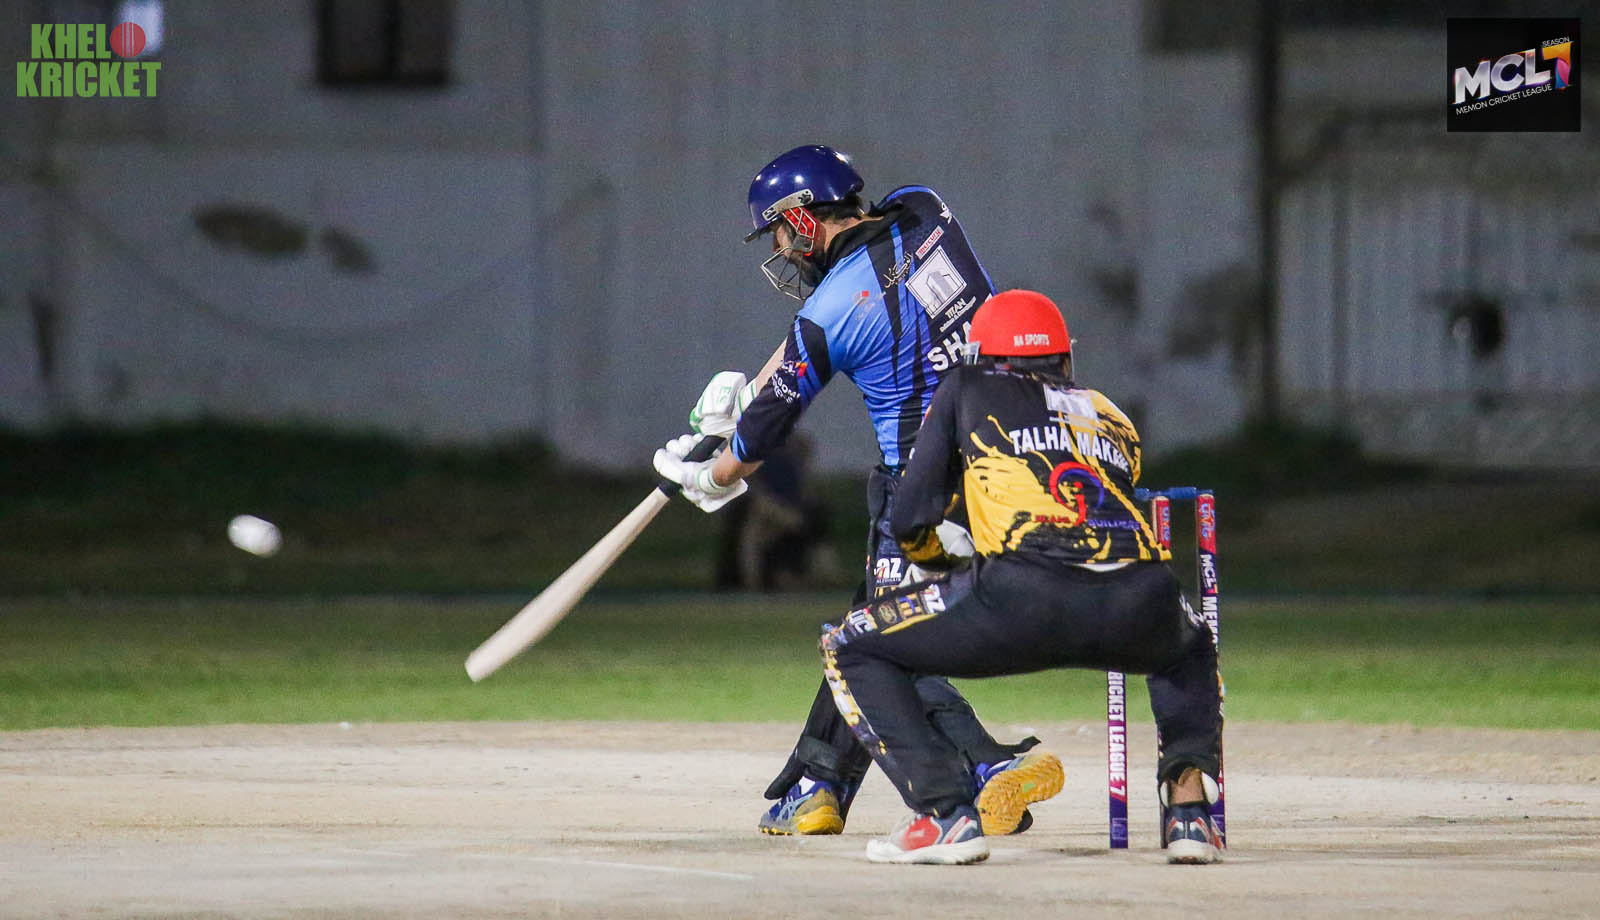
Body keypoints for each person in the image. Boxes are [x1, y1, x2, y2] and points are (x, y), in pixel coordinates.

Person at [653, 145, 1062, 836]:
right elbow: (808, 347)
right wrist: (745, 398)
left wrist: (704, 475)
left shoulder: (828, 314)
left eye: (779, 232)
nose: (780, 250)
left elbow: (757, 444)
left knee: (884, 644)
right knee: (866, 625)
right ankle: (820, 785)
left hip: (922, 491)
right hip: (1011, 464)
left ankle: (986, 765)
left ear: (801, 220)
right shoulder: (927, 211)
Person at [818, 289, 1225, 865]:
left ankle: (945, 812)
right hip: (1142, 594)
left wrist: (945, 565)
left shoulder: (965, 386)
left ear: (981, 356)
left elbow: (910, 518)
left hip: (1023, 594)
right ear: (1064, 357)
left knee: (851, 645)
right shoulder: (1111, 414)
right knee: (1192, 646)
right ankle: (1189, 816)